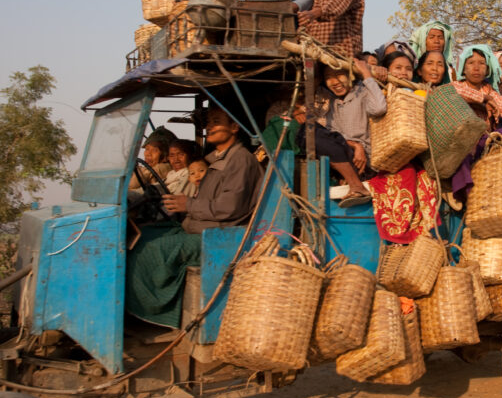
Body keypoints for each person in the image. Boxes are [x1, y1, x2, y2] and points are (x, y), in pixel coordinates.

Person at [126, 106, 263, 328]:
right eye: (208, 122)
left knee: (150, 250)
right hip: (195, 227)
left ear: (234, 127)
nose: (210, 127)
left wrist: (187, 204)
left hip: (221, 237)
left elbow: (230, 208)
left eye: (216, 121)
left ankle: (153, 314)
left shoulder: (241, 160)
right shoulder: (212, 159)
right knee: (141, 236)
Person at [296, 61, 386, 206]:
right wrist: (355, 145)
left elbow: (379, 108)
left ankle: (357, 186)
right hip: (346, 153)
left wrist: (367, 75)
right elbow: (332, 137)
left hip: (364, 163)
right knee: (308, 132)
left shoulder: (361, 93)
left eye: (339, 75)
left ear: (349, 75)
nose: (335, 81)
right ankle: (353, 183)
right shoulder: (331, 102)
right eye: (329, 77)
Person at [452, 45, 502, 129]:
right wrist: (484, 99)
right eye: (471, 63)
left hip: (485, 138)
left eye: (482, 63)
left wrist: (494, 106)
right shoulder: (456, 86)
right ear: (463, 69)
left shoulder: (488, 90)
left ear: (487, 70)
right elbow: (453, 92)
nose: (476, 68)